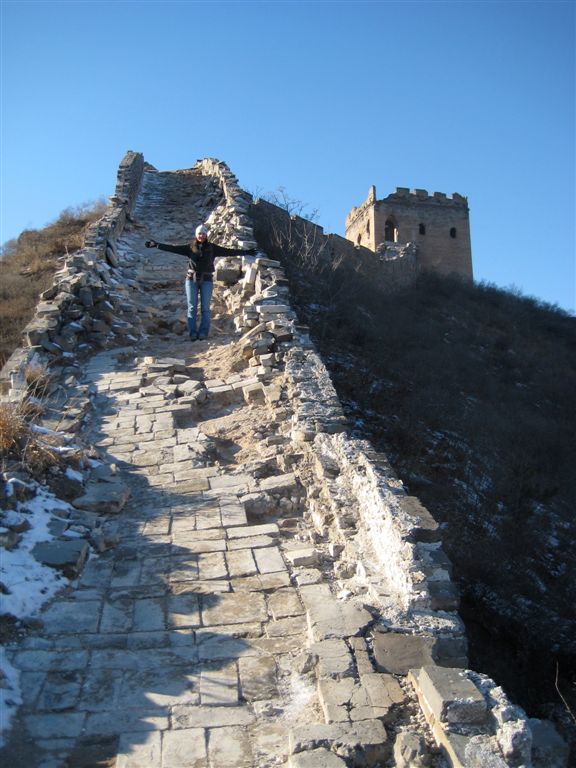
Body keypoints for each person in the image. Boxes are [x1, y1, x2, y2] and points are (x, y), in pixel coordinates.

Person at [145, 225, 255, 341]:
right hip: (191, 279)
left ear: (206, 235)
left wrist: (246, 252)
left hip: (207, 280)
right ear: (196, 235)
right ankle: (193, 333)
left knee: (205, 308)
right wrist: (157, 245)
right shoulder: (190, 247)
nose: (201, 236)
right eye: (199, 234)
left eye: (203, 233)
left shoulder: (212, 248)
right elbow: (174, 248)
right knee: (192, 307)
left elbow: (228, 251)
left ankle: (203, 333)